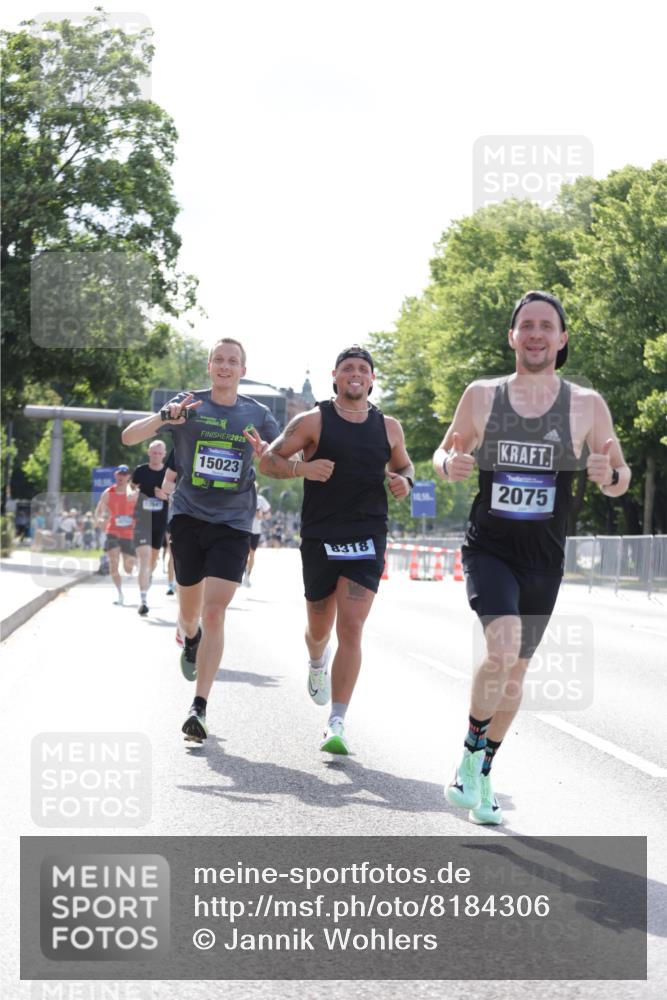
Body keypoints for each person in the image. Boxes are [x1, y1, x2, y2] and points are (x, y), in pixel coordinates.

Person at [432, 290, 631, 824]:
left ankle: (484, 771)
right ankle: (468, 758)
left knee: (515, 674)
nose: (537, 334)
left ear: (562, 338)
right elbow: (445, 449)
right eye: (528, 325)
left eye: (547, 326)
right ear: (513, 336)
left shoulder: (586, 405)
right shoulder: (482, 396)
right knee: (502, 649)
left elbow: (620, 475)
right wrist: (448, 464)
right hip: (490, 547)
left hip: (544, 559)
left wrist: (609, 475)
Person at [121, 337, 279, 743]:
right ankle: (189, 637)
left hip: (234, 522)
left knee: (214, 612)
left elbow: (283, 460)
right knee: (190, 615)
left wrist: (267, 455)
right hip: (189, 518)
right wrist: (163, 417)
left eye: (233, 361)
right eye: (219, 360)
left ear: (243, 370)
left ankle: (199, 706)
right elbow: (129, 437)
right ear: (210, 366)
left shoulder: (258, 414)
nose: (225, 366)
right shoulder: (188, 405)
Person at [258, 345, 414, 755]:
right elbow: (269, 461)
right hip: (321, 535)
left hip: (367, 535)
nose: (355, 374)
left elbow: (404, 465)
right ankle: (316, 662)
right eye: (348, 368)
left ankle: (337, 722)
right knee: (319, 628)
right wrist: (303, 468)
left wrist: (406, 482)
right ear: (335, 376)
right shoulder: (313, 420)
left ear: (372, 378)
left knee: (352, 627)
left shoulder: (389, 427)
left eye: (363, 368)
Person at [131, 439, 170, 616]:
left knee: (152, 561)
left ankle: (149, 577)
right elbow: (131, 488)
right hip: (142, 520)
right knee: (144, 558)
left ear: (164, 454)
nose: (156, 455)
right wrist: (133, 494)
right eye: (154, 452)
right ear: (149, 453)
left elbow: (176, 495)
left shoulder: (168, 473)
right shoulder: (140, 471)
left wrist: (165, 496)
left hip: (159, 522)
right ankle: (143, 599)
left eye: (159, 453)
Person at [94, 465, 138, 605]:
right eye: (119, 474)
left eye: (124, 474)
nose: (121, 476)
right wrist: (99, 519)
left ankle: (134, 566)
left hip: (129, 533)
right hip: (112, 531)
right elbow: (99, 510)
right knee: (113, 565)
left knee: (128, 567)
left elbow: (142, 510)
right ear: (115, 475)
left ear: (128, 477)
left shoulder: (133, 492)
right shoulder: (108, 493)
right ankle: (120, 594)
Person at [243, 491, 271, 585]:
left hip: (255, 531)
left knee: (251, 554)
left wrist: (261, 515)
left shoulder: (260, 499)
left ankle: (247, 576)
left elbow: (268, 514)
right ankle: (241, 574)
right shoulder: (243, 496)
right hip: (244, 529)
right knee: (243, 553)